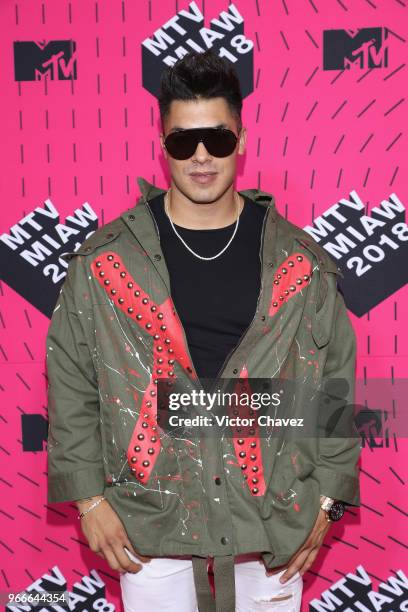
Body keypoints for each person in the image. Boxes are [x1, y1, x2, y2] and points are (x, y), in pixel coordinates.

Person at [46, 50, 361, 612]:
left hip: (272, 524)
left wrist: (330, 501)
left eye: (216, 139)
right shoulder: (105, 262)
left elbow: (332, 383)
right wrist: (89, 500)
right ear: (161, 144)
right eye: (181, 141)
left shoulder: (300, 261)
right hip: (152, 525)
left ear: (240, 140)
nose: (200, 157)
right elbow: (72, 381)